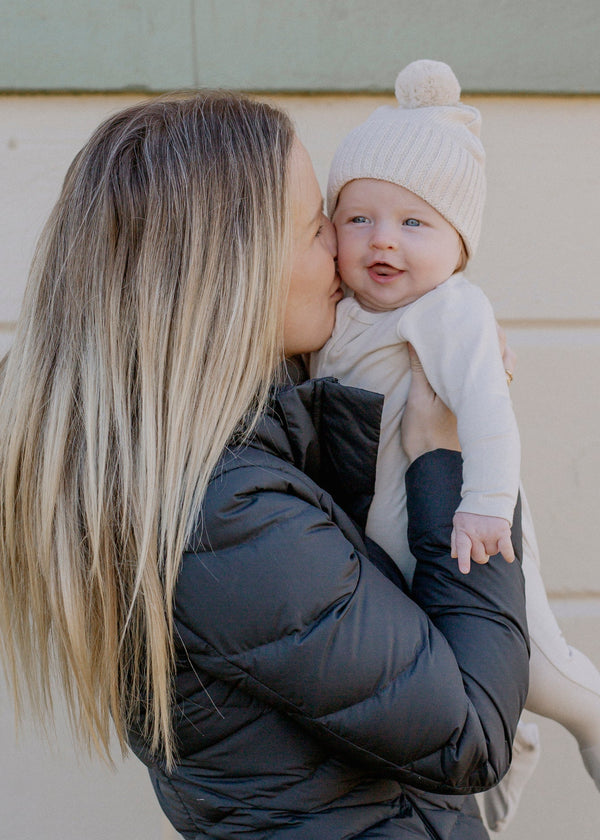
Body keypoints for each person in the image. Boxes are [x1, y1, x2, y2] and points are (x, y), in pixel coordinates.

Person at [0, 91, 530, 840]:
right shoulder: (222, 516)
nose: (344, 254)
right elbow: (471, 732)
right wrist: (446, 458)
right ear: (233, 269)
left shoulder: (214, 464)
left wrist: (438, 346)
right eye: (319, 227)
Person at [311, 59, 600, 831]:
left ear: (458, 246)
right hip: (395, 543)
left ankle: (593, 717)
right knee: (451, 676)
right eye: (359, 218)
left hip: (471, 526)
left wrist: (482, 507)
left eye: (415, 223)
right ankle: (511, 747)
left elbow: (488, 413)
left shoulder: (450, 310)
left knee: (534, 662)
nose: (383, 242)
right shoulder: (335, 310)